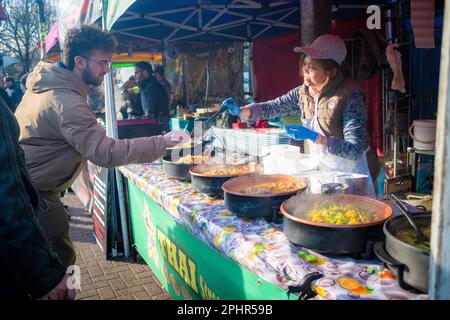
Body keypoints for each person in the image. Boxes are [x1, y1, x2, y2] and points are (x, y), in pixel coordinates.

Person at [15, 25, 190, 267]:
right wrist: (163, 141)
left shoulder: (45, 85)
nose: (107, 70)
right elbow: (106, 153)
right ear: (79, 61)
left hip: (28, 188)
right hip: (37, 195)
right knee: (61, 263)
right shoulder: (67, 101)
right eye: (103, 63)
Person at [222, 34, 377, 194]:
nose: (305, 71)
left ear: (331, 72)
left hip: (353, 173)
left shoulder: (350, 96)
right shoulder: (302, 93)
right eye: (305, 64)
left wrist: (317, 138)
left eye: (312, 67)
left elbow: (354, 150)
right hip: (324, 169)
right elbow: (272, 107)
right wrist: (241, 111)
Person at [134, 61, 170, 130]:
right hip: (154, 122)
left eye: (137, 72)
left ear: (144, 73)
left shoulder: (153, 86)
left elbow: (151, 110)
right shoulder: (145, 86)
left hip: (159, 122)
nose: (135, 76)